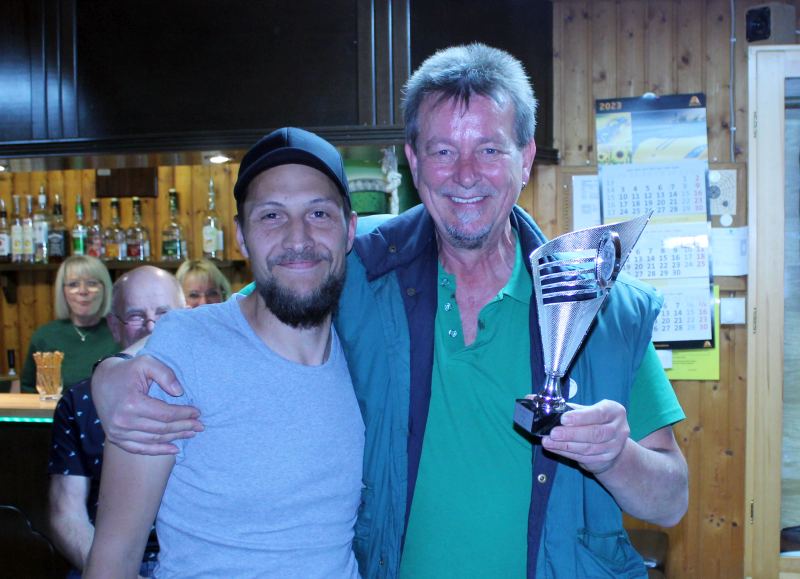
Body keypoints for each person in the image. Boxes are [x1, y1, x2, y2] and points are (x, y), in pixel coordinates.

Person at [92, 44, 689, 578]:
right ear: (413, 161)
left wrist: (616, 456)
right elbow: (246, 318)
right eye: (442, 151)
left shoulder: (598, 305)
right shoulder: (358, 266)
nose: (465, 175)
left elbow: (671, 501)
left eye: (489, 149)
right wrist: (108, 374)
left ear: (525, 157)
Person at [84, 128, 364, 579]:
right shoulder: (184, 351)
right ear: (240, 236)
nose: (298, 238)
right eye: (271, 216)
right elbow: (114, 556)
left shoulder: (364, 346)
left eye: (319, 213)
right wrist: (106, 371)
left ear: (350, 229)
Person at [47, 266, 185, 578]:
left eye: (164, 314)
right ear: (114, 326)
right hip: (105, 557)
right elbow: (66, 515)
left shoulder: (213, 394)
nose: (151, 327)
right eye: (136, 316)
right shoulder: (79, 400)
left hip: (195, 561)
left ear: (188, 318)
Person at [21, 255, 119, 393]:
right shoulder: (44, 337)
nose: (83, 291)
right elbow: (28, 389)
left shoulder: (121, 334)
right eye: (73, 284)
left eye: (92, 283)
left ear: (105, 289)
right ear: (63, 292)